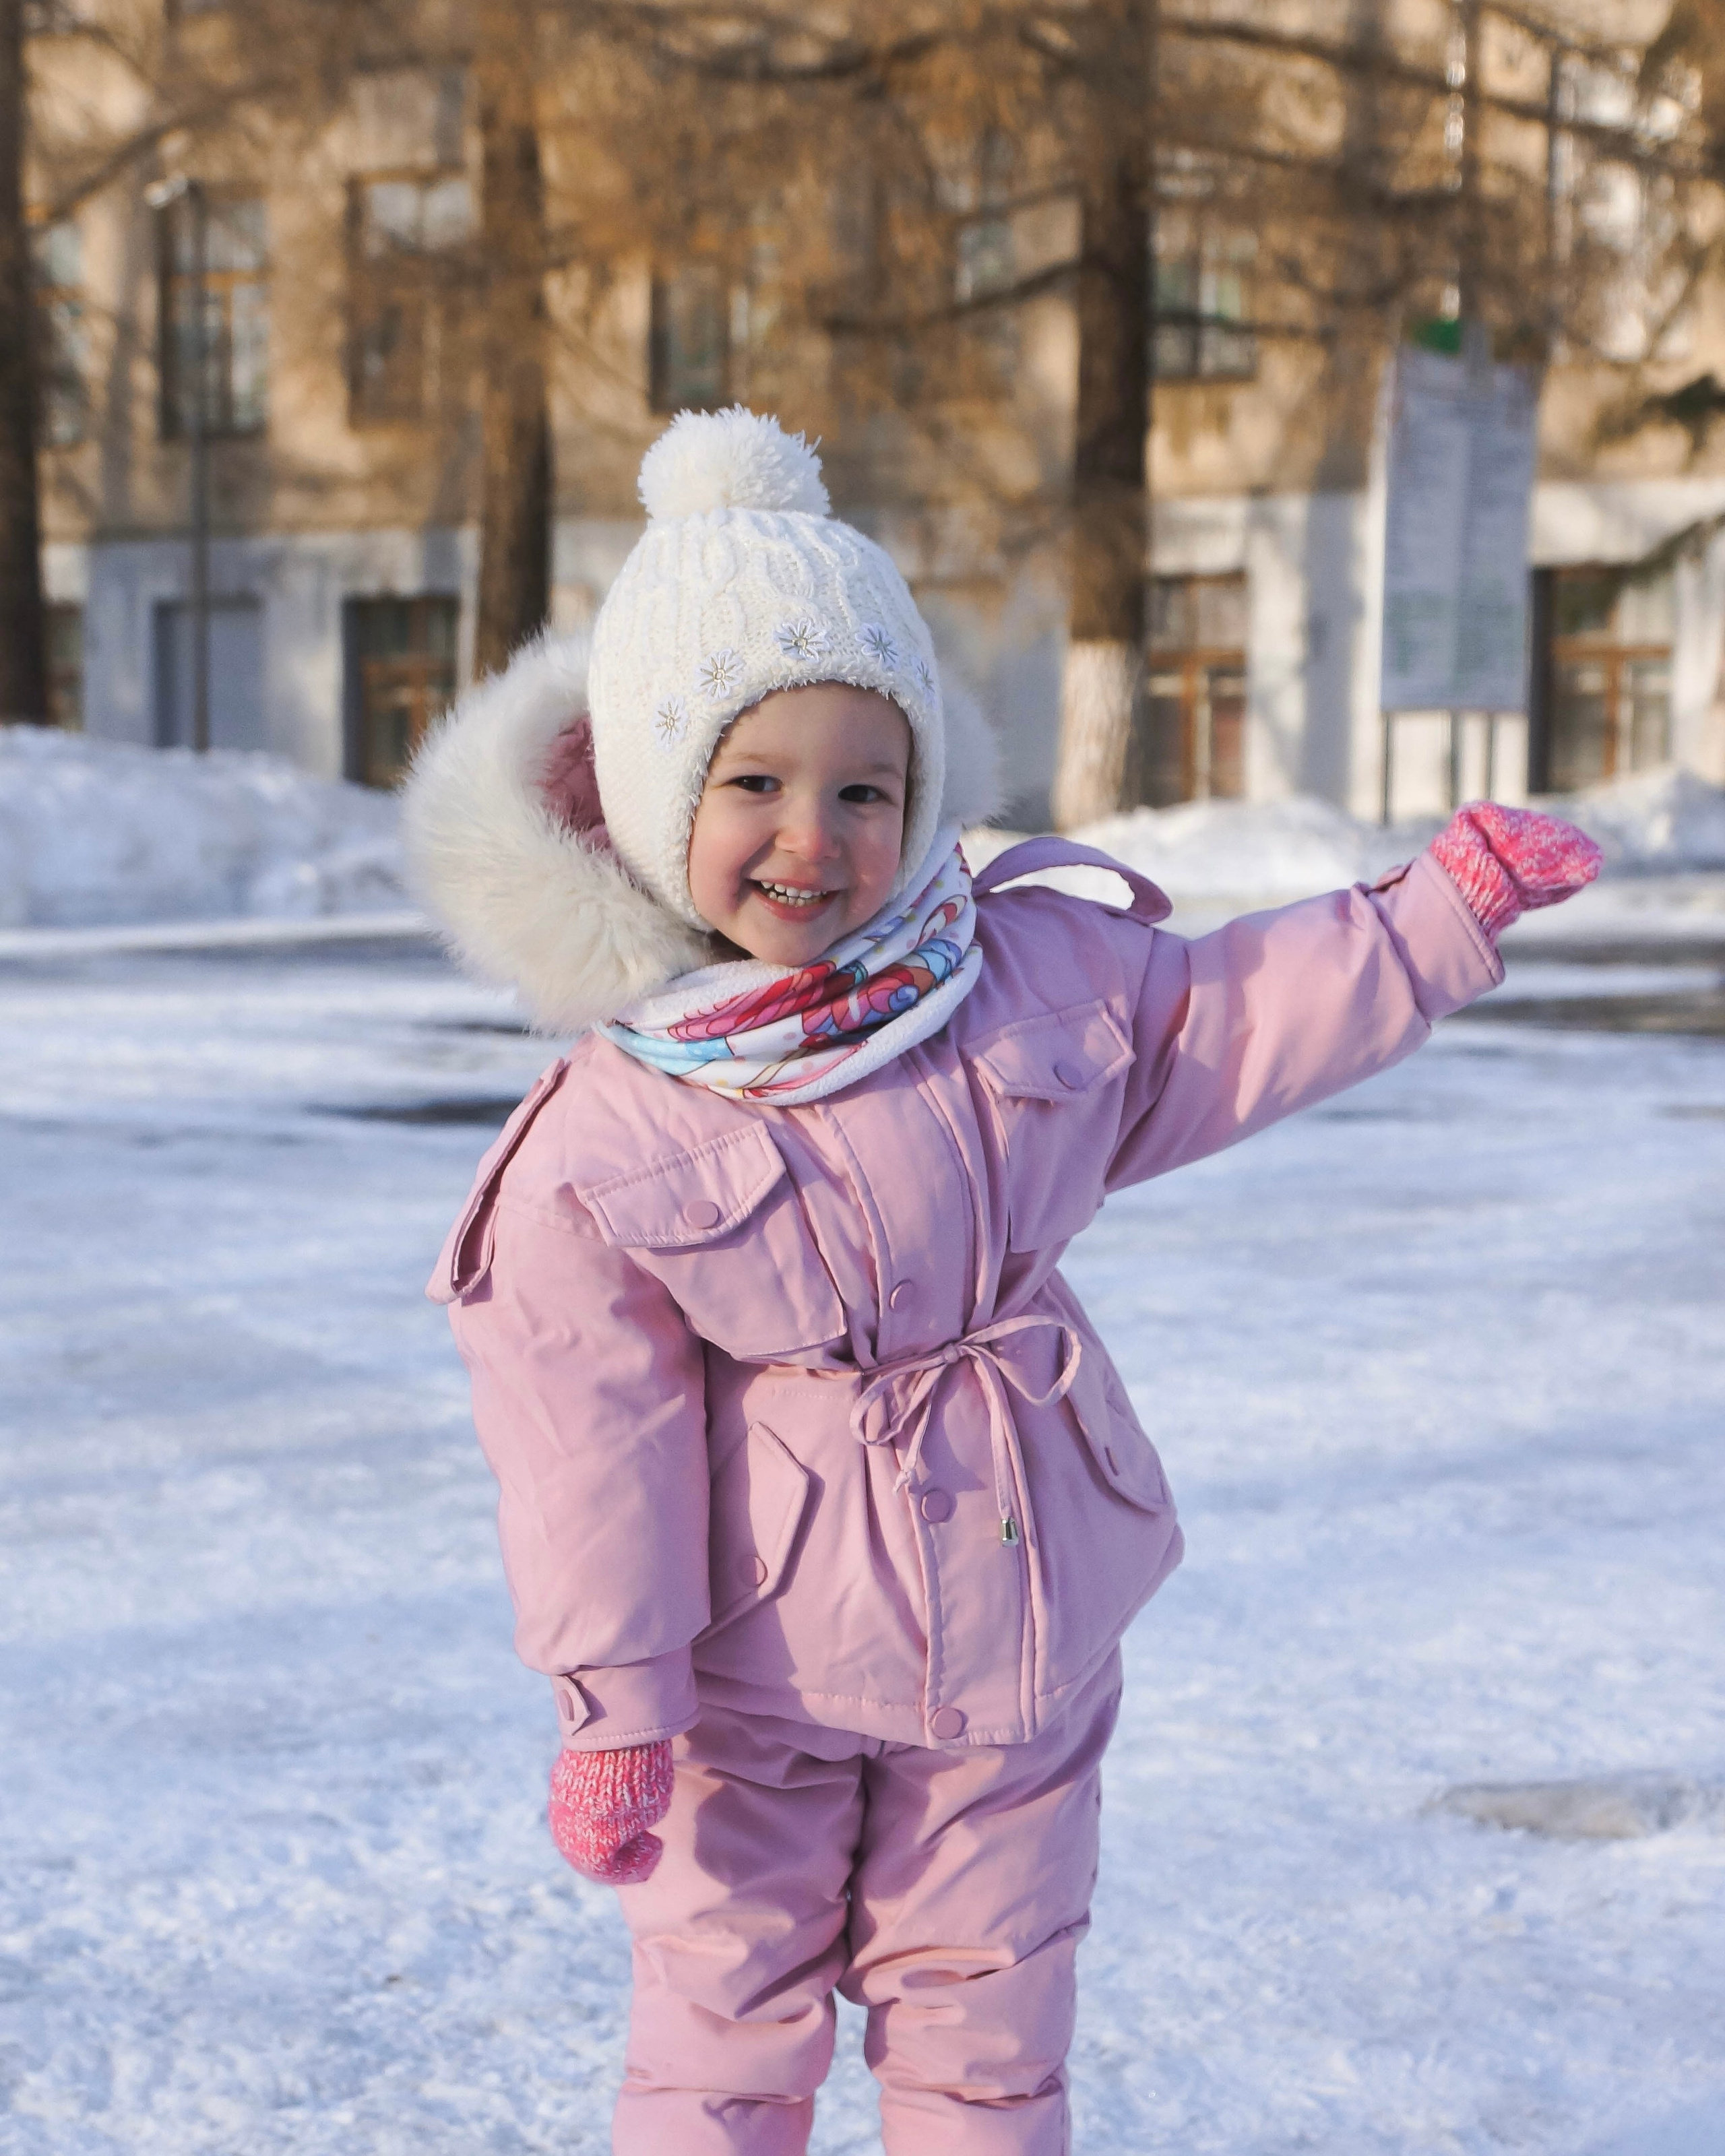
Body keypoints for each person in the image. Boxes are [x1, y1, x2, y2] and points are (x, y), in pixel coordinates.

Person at [402, 406, 1600, 2155]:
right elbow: (588, 1453)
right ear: (653, 801)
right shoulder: (609, 1131)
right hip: (762, 1687)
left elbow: (1226, 1018)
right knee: (722, 2043)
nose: (813, 839)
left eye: (864, 788)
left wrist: (1431, 916)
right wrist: (616, 1708)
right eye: (753, 784)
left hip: (1025, 1630)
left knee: (993, 2031)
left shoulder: (1017, 973)